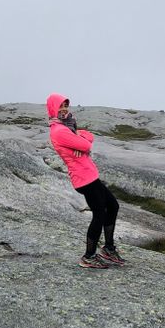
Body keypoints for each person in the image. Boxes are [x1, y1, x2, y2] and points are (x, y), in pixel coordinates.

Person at [46, 93, 125, 268]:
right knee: (100, 214)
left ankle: (109, 248)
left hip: (90, 175)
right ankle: (88, 256)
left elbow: (88, 136)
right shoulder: (59, 131)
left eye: (66, 105)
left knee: (112, 206)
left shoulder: (68, 127)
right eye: (60, 106)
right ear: (53, 108)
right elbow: (87, 145)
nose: (64, 109)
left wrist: (79, 138)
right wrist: (81, 142)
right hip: (83, 178)